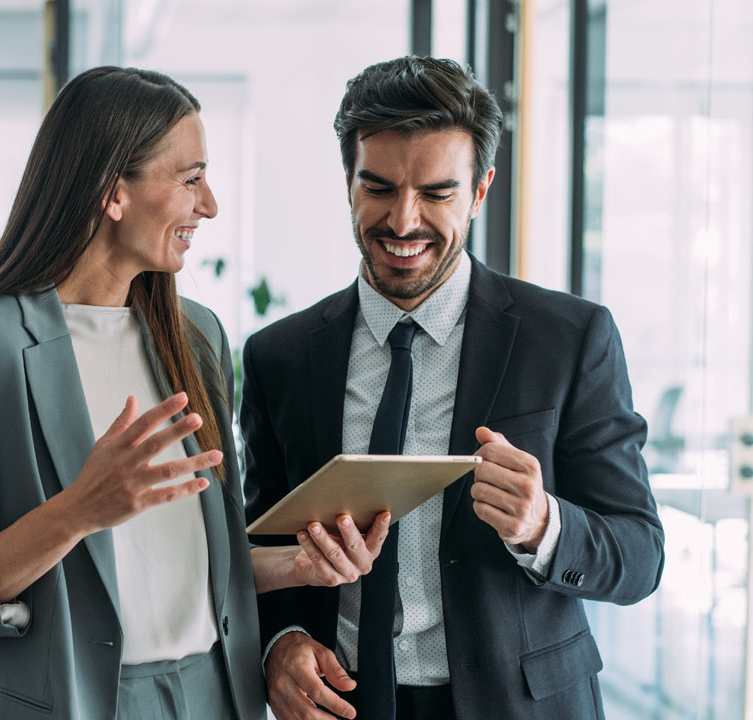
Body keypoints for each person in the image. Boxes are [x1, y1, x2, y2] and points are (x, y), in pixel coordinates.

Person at [0, 66, 390, 720]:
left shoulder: (197, 338)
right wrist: (77, 512)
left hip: (210, 696)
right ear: (112, 192)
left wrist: (299, 566)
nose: (209, 205)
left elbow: (192, 565)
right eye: (190, 179)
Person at [241, 56, 666, 720]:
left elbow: (640, 555)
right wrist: (280, 642)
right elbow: (261, 545)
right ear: (348, 182)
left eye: (437, 193)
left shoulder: (569, 339)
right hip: (344, 705)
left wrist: (544, 525)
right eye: (378, 187)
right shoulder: (280, 357)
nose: (402, 221)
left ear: (480, 190)